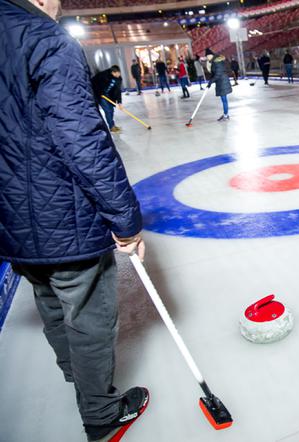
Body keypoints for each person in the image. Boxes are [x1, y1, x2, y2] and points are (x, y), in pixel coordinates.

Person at [0, 1, 149, 441]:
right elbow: (82, 141)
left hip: (10, 215)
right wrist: (125, 220)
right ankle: (101, 411)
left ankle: (76, 379)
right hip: (61, 215)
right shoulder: (45, 39)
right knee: (88, 315)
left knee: (48, 300)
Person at [91, 65, 123, 132]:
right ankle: (111, 127)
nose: (118, 75)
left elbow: (118, 91)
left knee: (111, 110)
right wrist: (99, 93)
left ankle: (112, 125)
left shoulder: (118, 79)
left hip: (110, 96)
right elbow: (94, 83)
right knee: (107, 110)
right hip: (101, 96)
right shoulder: (103, 75)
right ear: (112, 72)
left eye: (119, 73)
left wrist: (119, 102)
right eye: (117, 73)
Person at [207, 49, 233, 121]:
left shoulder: (217, 62)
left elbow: (218, 74)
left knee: (224, 99)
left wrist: (211, 82)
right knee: (224, 99)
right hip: (221, 82)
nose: (207, 58)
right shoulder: (215, 61)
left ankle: (225, 115)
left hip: (222, 82)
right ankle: (225, 114)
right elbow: (214, 73)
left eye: (207, 56)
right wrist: (211, 80)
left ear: (211, 55)